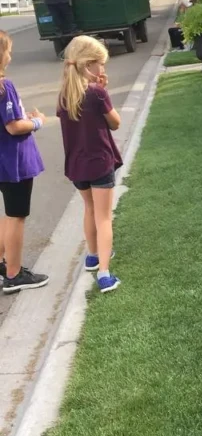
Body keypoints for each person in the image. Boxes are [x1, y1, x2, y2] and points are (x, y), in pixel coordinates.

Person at [57, 35, 122, 293]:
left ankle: (93, 255)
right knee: (104, 217)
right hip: (100, 162)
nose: (103, 70)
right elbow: (115, 122)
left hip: (77, 164)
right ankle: (105, 274)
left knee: (89, 208)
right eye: (100, 64)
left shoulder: (64, 94)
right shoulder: (96, 93)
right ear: (88, 65)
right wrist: (104, 91)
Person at [0, 30, 48, 292]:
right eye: (8, 50)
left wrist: (24, 117)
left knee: (8, 215)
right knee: (17, 216)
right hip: (13, 161)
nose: (10, 54)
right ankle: (14, 274)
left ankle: (2, 263)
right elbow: (13, 126)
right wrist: (38, 121)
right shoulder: (4, 86)